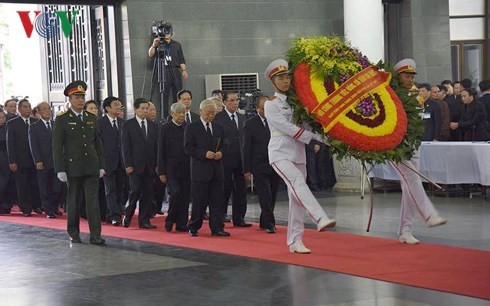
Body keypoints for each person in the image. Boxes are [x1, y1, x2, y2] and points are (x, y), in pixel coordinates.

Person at [263, 59, 336, 254]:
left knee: (295, 197)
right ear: (273, 82)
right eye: (280, 78)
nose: (285, 81)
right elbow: (286, 127)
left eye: (287, 77)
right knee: (297, 182)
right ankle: (319, 217)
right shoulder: (271, 104)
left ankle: (295, 240)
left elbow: (308, 125)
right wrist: (313, 138)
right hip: (279, 152)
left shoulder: (298, 102)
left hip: (298, 152)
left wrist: (327, 138)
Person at [390, 59, 447, 244]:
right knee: (413, 180)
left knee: (408, 188)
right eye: (406, 76)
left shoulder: (415, 95)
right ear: (398, 77)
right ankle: (429, 214)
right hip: (396, 146)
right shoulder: (391, 94)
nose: (411, 79)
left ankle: (405, 230)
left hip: (413, 144)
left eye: (413, 76)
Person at [53, 81, 106, 245]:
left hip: (91, 166)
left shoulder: (91, 117)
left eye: (82, 97)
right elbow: (57, 146)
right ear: (69, 99)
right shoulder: (62, 119)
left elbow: (97, 143)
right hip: (73, 167)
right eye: (77, 97)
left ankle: (95, 235)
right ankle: (73, 233)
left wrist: (101, 165)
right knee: (73, 202)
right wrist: (60, 169)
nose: (80, 100)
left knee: (93, 203)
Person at [184, 99, 229, 237]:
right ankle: (194, 226)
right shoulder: (192, 127)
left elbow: (226, 143)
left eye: (213, 113)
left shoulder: (219, 127)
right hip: (200, 170)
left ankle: (217, 228)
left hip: (217, 170)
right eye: (208, 113)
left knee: (217, 201)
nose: (210, 116)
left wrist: (221, 152)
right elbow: (187, 148)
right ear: (201, 111)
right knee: (199, 201)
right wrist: (204, 154)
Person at [243, 95, 280, 233]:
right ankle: (270, 223)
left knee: (274, 193)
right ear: (258, 109)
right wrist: (246, 169)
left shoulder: (276, 121)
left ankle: (264, 220)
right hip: (259, 164)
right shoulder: (251, 123)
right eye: (264, 108)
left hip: (275, 162)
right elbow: (246, 147)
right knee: (265, 195)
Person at [213, 90, 250, 227]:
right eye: (231, 101)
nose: (235, 103)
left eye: (236, 100)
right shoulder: (218, 118)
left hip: (241, 160)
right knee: (224, 189)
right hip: (225, 160)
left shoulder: (242, 118)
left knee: (241, 190)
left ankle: (239, 218)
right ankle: (221, 215)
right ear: (224, 102)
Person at [121, 98, 159, 229]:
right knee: (135, 191)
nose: (145, 111)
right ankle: (128, 214)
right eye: (142, 108)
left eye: (146, 108)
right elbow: (125, 146)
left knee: (148, 193)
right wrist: (128, 164)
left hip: (150, 166)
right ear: (135, 109)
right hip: (135, 166)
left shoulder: (153, 125)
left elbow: (156, 147)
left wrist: (157, 164)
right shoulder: (128, 125)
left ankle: (144, 220)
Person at [157, 102, 190, 232]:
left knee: (185, 196)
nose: (182, 116)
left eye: (183, 113)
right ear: (172, 114)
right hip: (171, 169)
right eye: (179, 113)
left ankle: (182, 223)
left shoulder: (188, 127)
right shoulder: (165, 128)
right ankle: (170, 219)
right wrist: (161, 171)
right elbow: (161, 151)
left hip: (186, 168)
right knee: (175, 194)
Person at [6, 98, 42, 217]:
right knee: (22, 185)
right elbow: (10, 143)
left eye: (29, 106)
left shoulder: (35, 121)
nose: (28, 109)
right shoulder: (12, 123)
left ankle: (36, 205)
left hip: (34, 158)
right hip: (20, 159)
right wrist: (12, 161)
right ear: (19, 109)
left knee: (35, 183)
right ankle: (25, 208)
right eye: (25, 107)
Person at [28, 102, 63, 219]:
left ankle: (54, 207)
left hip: (56, 161)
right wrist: (37, 160)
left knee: (57, 187)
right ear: (38, 112)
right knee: (45, 187)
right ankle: (48, 210)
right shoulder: (34, 127)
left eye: (49, 109)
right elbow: (34, 145)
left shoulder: (56, 124)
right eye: (44, 109)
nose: (47, 111)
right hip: (43, 161)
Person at [148, 22, 188, 118]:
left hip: (175, 70)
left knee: (177, 94)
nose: (167, 33)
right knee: (163, 95)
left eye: (168, 31)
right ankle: (165, 116)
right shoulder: (158, 43)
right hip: (163, 71)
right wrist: (154, 45)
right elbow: (150, 54)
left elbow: (181, 59)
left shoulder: (177, 45)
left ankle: (178, 114)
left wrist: (184, 70)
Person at [97, 97, 125, 226]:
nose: (119, 106)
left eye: (120, 104)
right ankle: (114, 216)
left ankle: (115, 212)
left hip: (122, 162)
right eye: (116, 105)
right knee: (110, 189)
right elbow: (98, 145)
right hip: (107, 162)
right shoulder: (100, 124)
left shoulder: (123, 123)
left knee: (120, 188)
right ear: (107, 108)